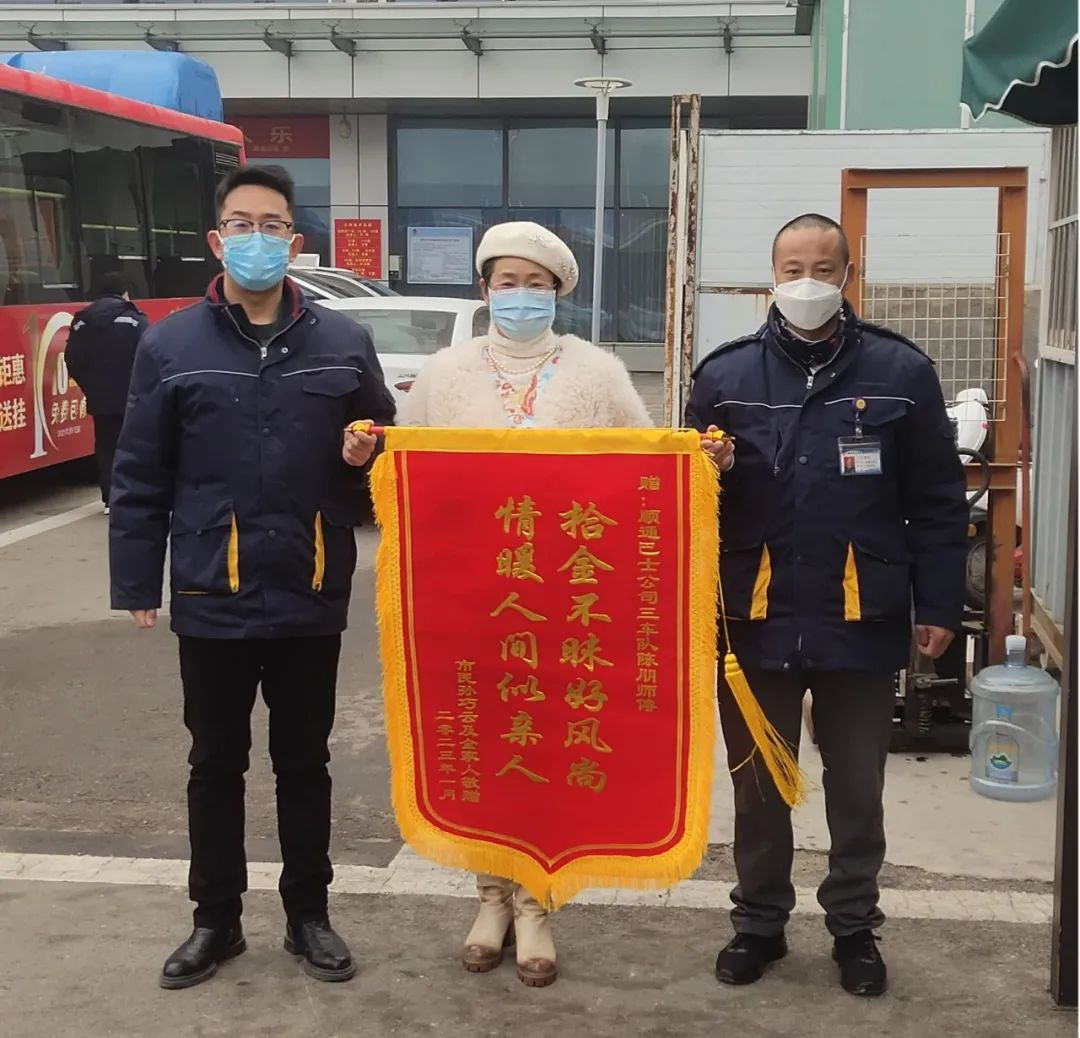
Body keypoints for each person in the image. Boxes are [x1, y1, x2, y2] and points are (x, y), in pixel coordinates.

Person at [109, 165, 396, 990]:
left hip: (310, 585)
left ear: (294, 242)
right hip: (212, 588)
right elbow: (140, 470)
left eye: (272, 225)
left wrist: (362, 455)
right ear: (217, 239)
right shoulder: (171, 345)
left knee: (304, 762)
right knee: (215, 763)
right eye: (242, 224)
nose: (257, 238)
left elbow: (383, 454)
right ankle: (216, 920)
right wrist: (138, 580)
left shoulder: (342, 342)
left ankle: (309, 915)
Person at [686, 213, 967, 998]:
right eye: (792, 267)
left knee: (857, 787)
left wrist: (940, 603)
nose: (806, 281)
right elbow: (679, 501)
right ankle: (759, 924)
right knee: (757, 785)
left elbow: (938, 500)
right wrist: (706, 469)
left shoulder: (901, 372)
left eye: (822, 267)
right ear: (771, 274)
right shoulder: (725, 376)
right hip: (754, 615)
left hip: (860, 614)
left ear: (848, 274)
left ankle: (853, 928)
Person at [399, 220, 653, 986]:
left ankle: (537, 903)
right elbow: (406, 471)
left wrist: (699, 458)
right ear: (485, 290)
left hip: (565, 604)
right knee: (485, 745)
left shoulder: (598, 374)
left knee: (546, 749)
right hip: (470, 597)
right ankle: (490, 897)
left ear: (558, 294)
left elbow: (644, 466)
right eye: (507, 283)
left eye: (535, 285)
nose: (520, 296)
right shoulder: (444, 374)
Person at [64, 271, 148, 513]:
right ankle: (132, 495)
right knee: (134, 445)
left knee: (106, 445)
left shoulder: (81, 321)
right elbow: (149, 356)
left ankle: (110, 498)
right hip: (132, 395)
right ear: (124, 292)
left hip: (99, 396)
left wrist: (89, 387)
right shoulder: (134, 320)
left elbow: (72, 359)